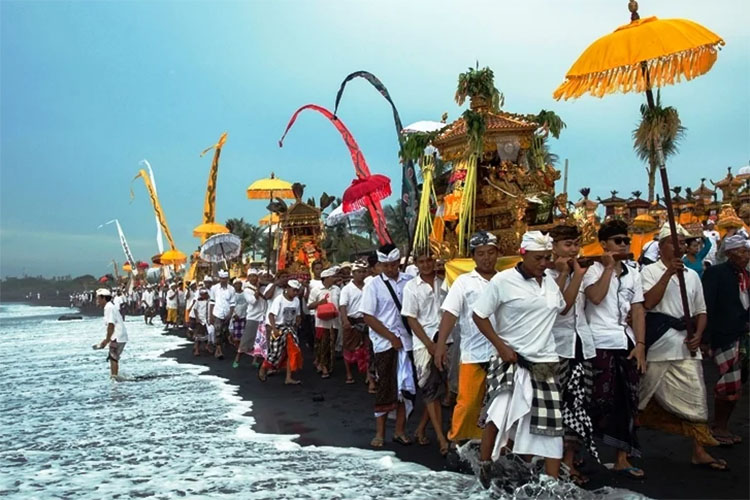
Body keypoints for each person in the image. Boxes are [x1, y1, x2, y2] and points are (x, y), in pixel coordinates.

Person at [472, 231, 565, 487]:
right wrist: (501, 347)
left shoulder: (549, 282)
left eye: (547, 258)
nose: (544, 263)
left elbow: (562, 307)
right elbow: (479, 315)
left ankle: (552, 483)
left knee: (549, 420)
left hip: (545, 360)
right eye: (538, 258)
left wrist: (572, 274)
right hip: (510, 357)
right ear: (523, 255)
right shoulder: (503, 281)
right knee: (499, 412)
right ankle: (485, 467)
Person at [639, 223, 726, 470]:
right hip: (658, 344)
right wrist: (668, 274)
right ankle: (625, 450)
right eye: (672, 243)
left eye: (682, 243)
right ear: (661, 246)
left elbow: (701, 310)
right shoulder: (649, 272)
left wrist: (698, 334)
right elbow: (648, 303)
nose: (678, 247)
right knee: (641, 397)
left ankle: (699, 450)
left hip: (686, 346)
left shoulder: (692, 275)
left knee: (697, 396)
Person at [583, 220, 647, 479]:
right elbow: (595, 297)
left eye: (626, 240)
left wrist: (641, 345)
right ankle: (573, 455)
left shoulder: (634, 271)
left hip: (626, 342)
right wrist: (609, 269)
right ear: (604, 244)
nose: (623, 244)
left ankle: (622, 458)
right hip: (597, 343)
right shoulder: (591, 269)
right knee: (595, 402)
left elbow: (638, 309)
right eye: (617, 240)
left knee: (628, 401)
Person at [434, 231, 498, 445]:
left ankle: (491, 445)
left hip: (502, 353)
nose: (486, 258)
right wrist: (440, 345)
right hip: (473, 352)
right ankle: (457, 441)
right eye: (481, 254)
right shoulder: (463, 282)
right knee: (468, 402)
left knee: (498, 403)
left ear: (497, 253)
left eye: (490, 252)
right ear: (473, 256)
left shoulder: (505, 280)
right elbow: (450, 313)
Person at [547, 224, 598, 485]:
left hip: (582, 345)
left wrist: (607, 269)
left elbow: (597, 298)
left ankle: (568, 461)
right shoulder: (544, 274)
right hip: (556, 348)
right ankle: (551, 463)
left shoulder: (583, 269)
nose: (573, 249)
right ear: (553, 247)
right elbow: (562, 308)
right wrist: (570, 275)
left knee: (577, 406)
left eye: (576, 243)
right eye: (567, 244)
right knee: (554, 408)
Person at [360, 243, 415, 448]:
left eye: (393, 265)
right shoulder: (373, 286)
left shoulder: (409, 281)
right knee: (385, 388)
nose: (390, 269)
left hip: (408, 342)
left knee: (406, 387)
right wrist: (391, 337)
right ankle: (380, 433)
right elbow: (368, 316)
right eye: (386, 266)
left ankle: (400, 431)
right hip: (384, 344)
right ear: (381, 265)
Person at [702, 234, 750, 446]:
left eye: (746, 251)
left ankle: (722, 425)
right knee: (728, 384)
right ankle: (719, 427)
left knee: (738, 383)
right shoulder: (716, 274)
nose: (745, 255)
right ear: (729, 254)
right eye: (741, 251)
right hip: (724, 334)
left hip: (743, 334)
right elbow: (707, 307)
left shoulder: (746, 275)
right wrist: (705, 338)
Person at [402, 250, 450, 456]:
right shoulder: (411, 287)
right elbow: (411, 319)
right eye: (421, 261)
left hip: (448, 340)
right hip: (424, 344)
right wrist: (429, 344)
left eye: (429, 260)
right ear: (416, 264)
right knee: (430, 390)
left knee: (444, 390)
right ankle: (440, 437)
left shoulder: (445, 282)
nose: (426, 264)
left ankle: (422, 428)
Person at [260, 279, 303, 385]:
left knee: (291, 351)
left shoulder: (296, 300)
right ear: (287, 289)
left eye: (297, 291)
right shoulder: (279, 299)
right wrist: (274, 329)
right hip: (279, 327)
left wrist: (298, 320)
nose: (295, 293)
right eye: (294, 290)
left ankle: (288, 377)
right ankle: (263, 368)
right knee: (275, 353)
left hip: (290, 329)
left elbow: (297, 314)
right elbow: (271, 315)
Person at [339, 261, 374, 389]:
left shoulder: (369, 286)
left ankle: (369, 377)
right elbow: (342, 306)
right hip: (352, 320)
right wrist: (345, 321)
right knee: (349, 347)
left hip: (366, 320)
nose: (361, 274)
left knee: (368, 349)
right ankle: (349, 373)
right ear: (353, 274)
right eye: (358, 272)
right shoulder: (347, 289)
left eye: (363, 272)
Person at [308, 267, 340, 378]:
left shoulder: (336, 289)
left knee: (332, 344)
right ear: (326, 278)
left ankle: (328, 364)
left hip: (335, 321)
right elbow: (309, 306)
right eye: (332, 277)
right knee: (322, 344)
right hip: (321, 322)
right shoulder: (316, 290)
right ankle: (323, 365)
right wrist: (319, 303)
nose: (334, 279)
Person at [94, 288, 129, 380]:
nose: (97, 301)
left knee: (113, 357)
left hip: (117, 336)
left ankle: (114, 378)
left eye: (98, 299)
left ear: (103, 298)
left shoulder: (109, 307)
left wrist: (106, 340)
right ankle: (115, 376)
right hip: (119, 336)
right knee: (113, 357)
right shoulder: (109, 307)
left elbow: (111, 325)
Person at [234, 270, 266, 368]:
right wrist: (258, 290)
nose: (253, 278)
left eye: (255, 276)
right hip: (253, 317)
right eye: (251, 276)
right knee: (246, 339)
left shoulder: (261, 287)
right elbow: (252, 301)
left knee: (259, 340)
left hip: (262, 316)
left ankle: (255, 360)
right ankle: (237, 359)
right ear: (248, 278)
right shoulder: (247, 290)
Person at [209, 270, 236, 360]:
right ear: (219, 279)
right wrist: (210, 315)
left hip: (227, 313)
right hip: (217, 313)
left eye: (225, 279)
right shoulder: (214, 288)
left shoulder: (231, 289)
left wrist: (230, 314)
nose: (223, 280)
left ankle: (219, 348)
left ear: (227, 279)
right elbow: (212, 301)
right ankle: (218, 350)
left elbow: (232, 303)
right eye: (221, 278)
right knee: (218, 331)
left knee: (224, 331)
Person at [230, 279, 248, 364]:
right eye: (236, 284)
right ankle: (238, 349)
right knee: (236, 336)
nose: (238, 285)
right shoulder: (233, 295)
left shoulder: (245, 293)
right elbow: (231, 305)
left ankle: (240, 350)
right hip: (236, 317)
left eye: (239, 284)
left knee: (243, 335)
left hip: (244, 316)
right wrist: (234, 314)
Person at [190, 287, 211, 356]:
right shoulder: (198, 301)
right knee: (198, 335)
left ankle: (207, 346)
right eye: (202, 294)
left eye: (204, 294)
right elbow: (195, 309)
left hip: (207, 319)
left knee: (207, 334)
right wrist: (197, 318)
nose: (203, 296)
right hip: (201, 319)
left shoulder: (209, 301)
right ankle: (196, 349)